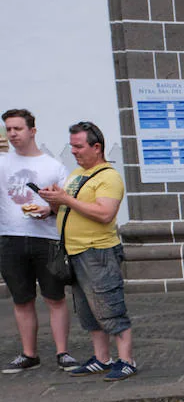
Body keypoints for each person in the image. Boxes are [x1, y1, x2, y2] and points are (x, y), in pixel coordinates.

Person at [36, 122, 138, 380]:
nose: (73, 151)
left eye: (78, 146)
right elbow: (73, 207)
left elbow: (105, 214)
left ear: (96, 147)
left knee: (109, 305)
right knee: (87, 310)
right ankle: (102, 358)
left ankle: (126, 360)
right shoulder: (77, 174)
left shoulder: (108, 177)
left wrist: (65, 200)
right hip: (76, 252)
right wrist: (52, 207)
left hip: (98, 252)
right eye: (71, 146)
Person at [0, 108, 74, 372]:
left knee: (55, 297)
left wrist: (50, 208)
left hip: (47, 238)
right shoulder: (2, 162)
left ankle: (63, 352)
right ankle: (29, 354)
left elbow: (67, 204)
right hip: (10, 238)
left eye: (17, 128)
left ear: (32, 131)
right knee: (22, 299)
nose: (12, 134)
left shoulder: (53, 166)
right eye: (8, 129)